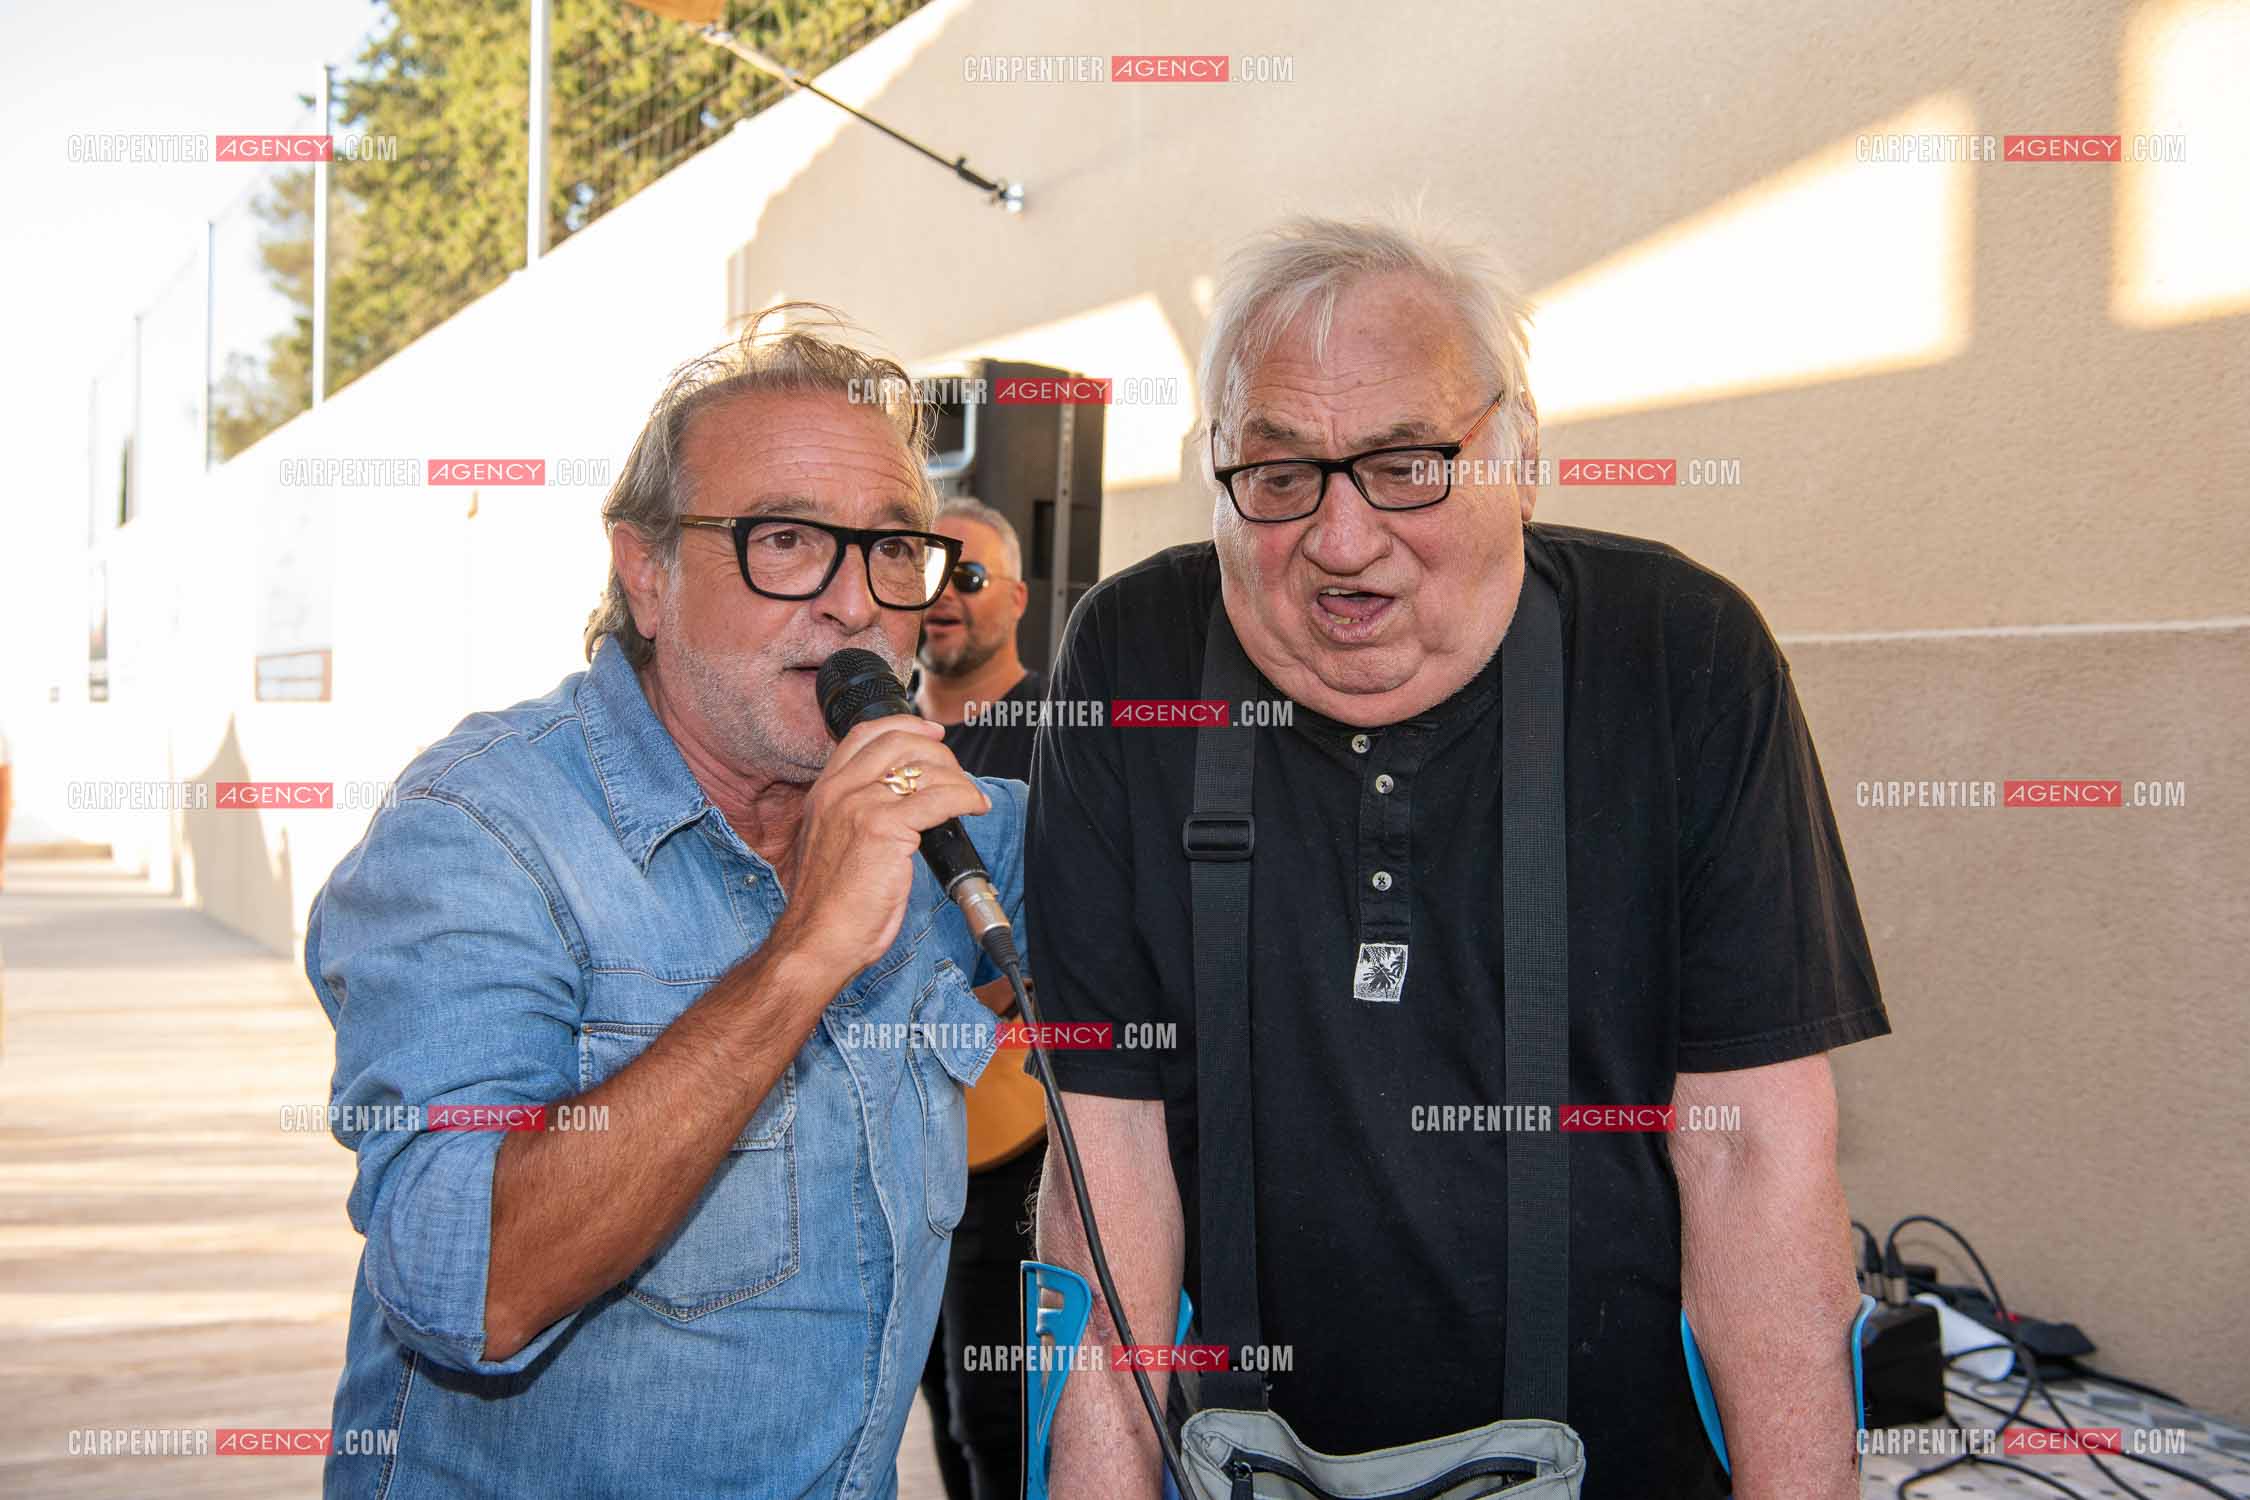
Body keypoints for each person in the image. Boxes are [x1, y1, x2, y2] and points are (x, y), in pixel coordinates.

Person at [1026, 218, 1889, 1500]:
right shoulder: (1128, 660)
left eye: (1408, 464)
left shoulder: (1682, 657)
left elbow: (1752, 1152)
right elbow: (1106, 1163)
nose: (1341, 538)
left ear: (1521, 453)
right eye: (1278, 475)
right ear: (1214, 472)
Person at [307, 306, 1027, 1499]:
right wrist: (803, 957)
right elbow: (465, 1289)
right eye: (788, 540)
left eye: (895, 549)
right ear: (645, 575)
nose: (857, 605)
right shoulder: (480, 831)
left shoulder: (929, 819)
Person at [911, 497, 1045, 1500]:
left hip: (1007, 1133)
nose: (943, 598)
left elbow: (1081, 936)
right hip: (891, 1125)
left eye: (969, 576)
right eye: (925, 573)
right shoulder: (867, 731)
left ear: (1018, 601)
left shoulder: (1057, 736)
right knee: (915, 1396)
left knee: (990, 1409)